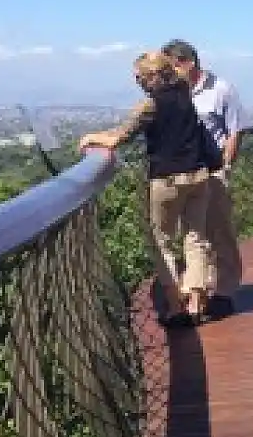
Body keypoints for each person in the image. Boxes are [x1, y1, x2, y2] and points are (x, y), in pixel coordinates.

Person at [79, 51, 219, 325]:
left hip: (167, 180)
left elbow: (120, 137)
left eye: (139, 76)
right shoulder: (185, 95)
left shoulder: (150, 106)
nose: (137, 81)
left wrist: (92, 138)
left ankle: (176, 306)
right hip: (198, 175)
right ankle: (196, 300)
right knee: (195, 238)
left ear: (152, 76)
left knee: (161, 241)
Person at [164, 39, 243, 319]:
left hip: (213, 169)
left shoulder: (221, 89)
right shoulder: (175, 92)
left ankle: (225, 290)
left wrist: (225, 166)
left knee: (219, 229)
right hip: (187, 172)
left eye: (173, 66)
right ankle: (201, 290)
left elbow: (234, 131)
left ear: (189, 63)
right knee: (195, 234)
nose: (170, 72)